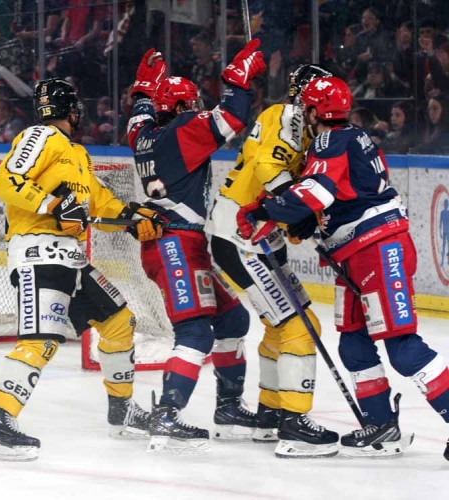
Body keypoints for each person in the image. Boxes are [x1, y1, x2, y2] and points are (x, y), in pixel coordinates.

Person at [236, 76, 449, 459]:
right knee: (353, 341)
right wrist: (303, 217)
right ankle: (381, 426)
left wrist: (267, 209)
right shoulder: (351, 136)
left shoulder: (329, 140)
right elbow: (337, 195)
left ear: (317, 111)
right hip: (354, 254)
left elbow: (317, 190)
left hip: (378, 250)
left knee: (402, 347)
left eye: (308, 107)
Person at [0, 78, 164, 461]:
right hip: (37, 253)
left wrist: (129, 214)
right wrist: (51, 205)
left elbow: (97, 198)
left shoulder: (76, 153)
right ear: (69, 109)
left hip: (71, 258)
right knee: (41, 341)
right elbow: (6, 180)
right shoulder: (40, 136)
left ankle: (122, 409)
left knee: (118, 321)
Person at [125, 40, 266, 454]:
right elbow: (232, 117)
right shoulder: (183, 132)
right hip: (175, 244)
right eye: (192, 105)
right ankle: (167, 417)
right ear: (184, 107)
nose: (196, 110)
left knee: (232, 320)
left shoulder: (144, 134)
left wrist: (142, 89)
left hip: (180, 243)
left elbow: (138, 113)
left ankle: (227, 409)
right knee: (194, 331)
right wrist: (237, 79)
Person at [206, 63, 340, 458]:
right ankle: (295, 426)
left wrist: (292, 217)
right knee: (301, 326)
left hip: (254, 236)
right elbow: (268, 167)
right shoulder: (289, 115)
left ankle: (270, 413)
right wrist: (294, 207)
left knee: (281, 325)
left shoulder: (295, 122)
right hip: (242, 235)